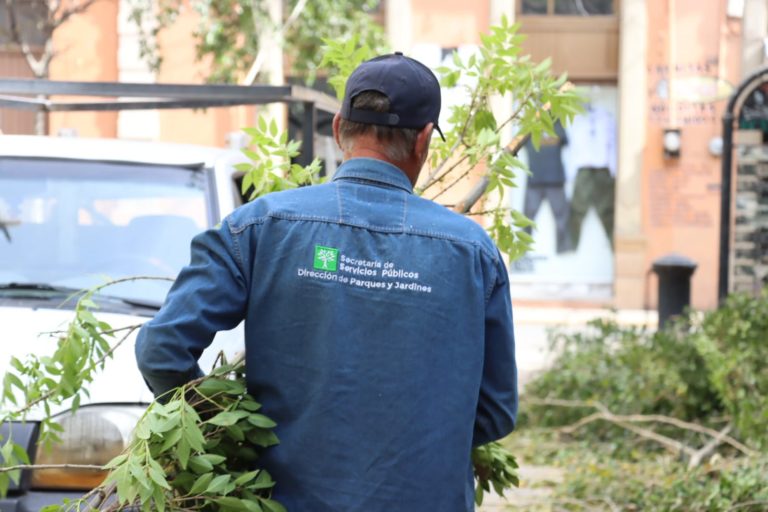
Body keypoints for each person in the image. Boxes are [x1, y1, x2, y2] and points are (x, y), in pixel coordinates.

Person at [135, 52, 518, 512]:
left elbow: (162, 349)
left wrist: (223, 431)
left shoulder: (257, 227)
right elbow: (496, 411)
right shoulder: (473, 252)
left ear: (338, 129)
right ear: (423, 141)